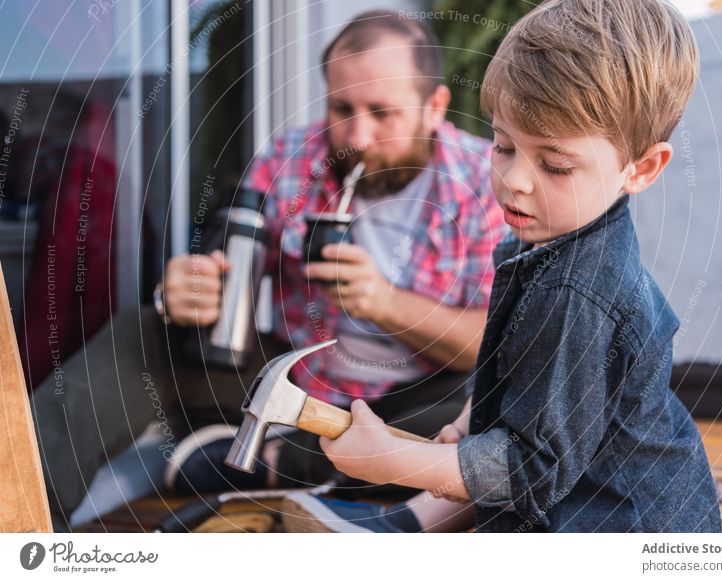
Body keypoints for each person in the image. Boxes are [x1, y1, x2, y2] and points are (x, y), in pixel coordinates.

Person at [31, 10, 505, 531]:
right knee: (141, 335)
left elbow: (488, 342)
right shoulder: (293, 160)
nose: (358, 136)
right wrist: (191, 291)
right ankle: (23, 507)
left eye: (382, 113)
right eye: (342, 108)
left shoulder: (484, 185)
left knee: (481, 423)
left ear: (434, 106)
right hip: (295, 376)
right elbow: (231, 262)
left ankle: (273, 462)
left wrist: (386, 303)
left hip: (415, 398)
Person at [282, 0, 722, 533]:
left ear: (642, 168)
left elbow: (531, 469)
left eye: (555, 165)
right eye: (503, 145)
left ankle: (393, 530)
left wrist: (391, 462)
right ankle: (398, 529)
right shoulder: (538, 240)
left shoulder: (577, 291)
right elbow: (518, 372)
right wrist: (473, 419)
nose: (515, 179)